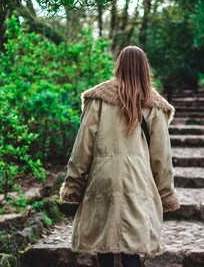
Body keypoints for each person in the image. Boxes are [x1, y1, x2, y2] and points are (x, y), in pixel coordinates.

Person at [59, 45, 180, 267]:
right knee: (133, 249)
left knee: (103, 245)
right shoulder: (154, 106)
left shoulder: (98, 100)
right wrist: (165, 192)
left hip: (102, 179)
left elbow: (82, 146)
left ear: (118, 66)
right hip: (138, 182)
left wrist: (74, 183)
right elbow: (161, 158)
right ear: (145, 69)